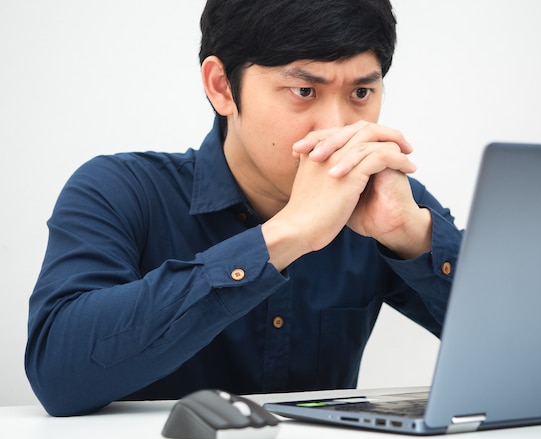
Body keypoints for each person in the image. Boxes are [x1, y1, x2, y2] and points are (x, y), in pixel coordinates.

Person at [26, 0, 463, 417]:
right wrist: (285, 235)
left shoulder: (389, 201)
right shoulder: (120, 190)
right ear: (221, 87)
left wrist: (412, 237)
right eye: (304, 90)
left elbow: (523, 354)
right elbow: (58, 377)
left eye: (362, 92)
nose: (338, 127)